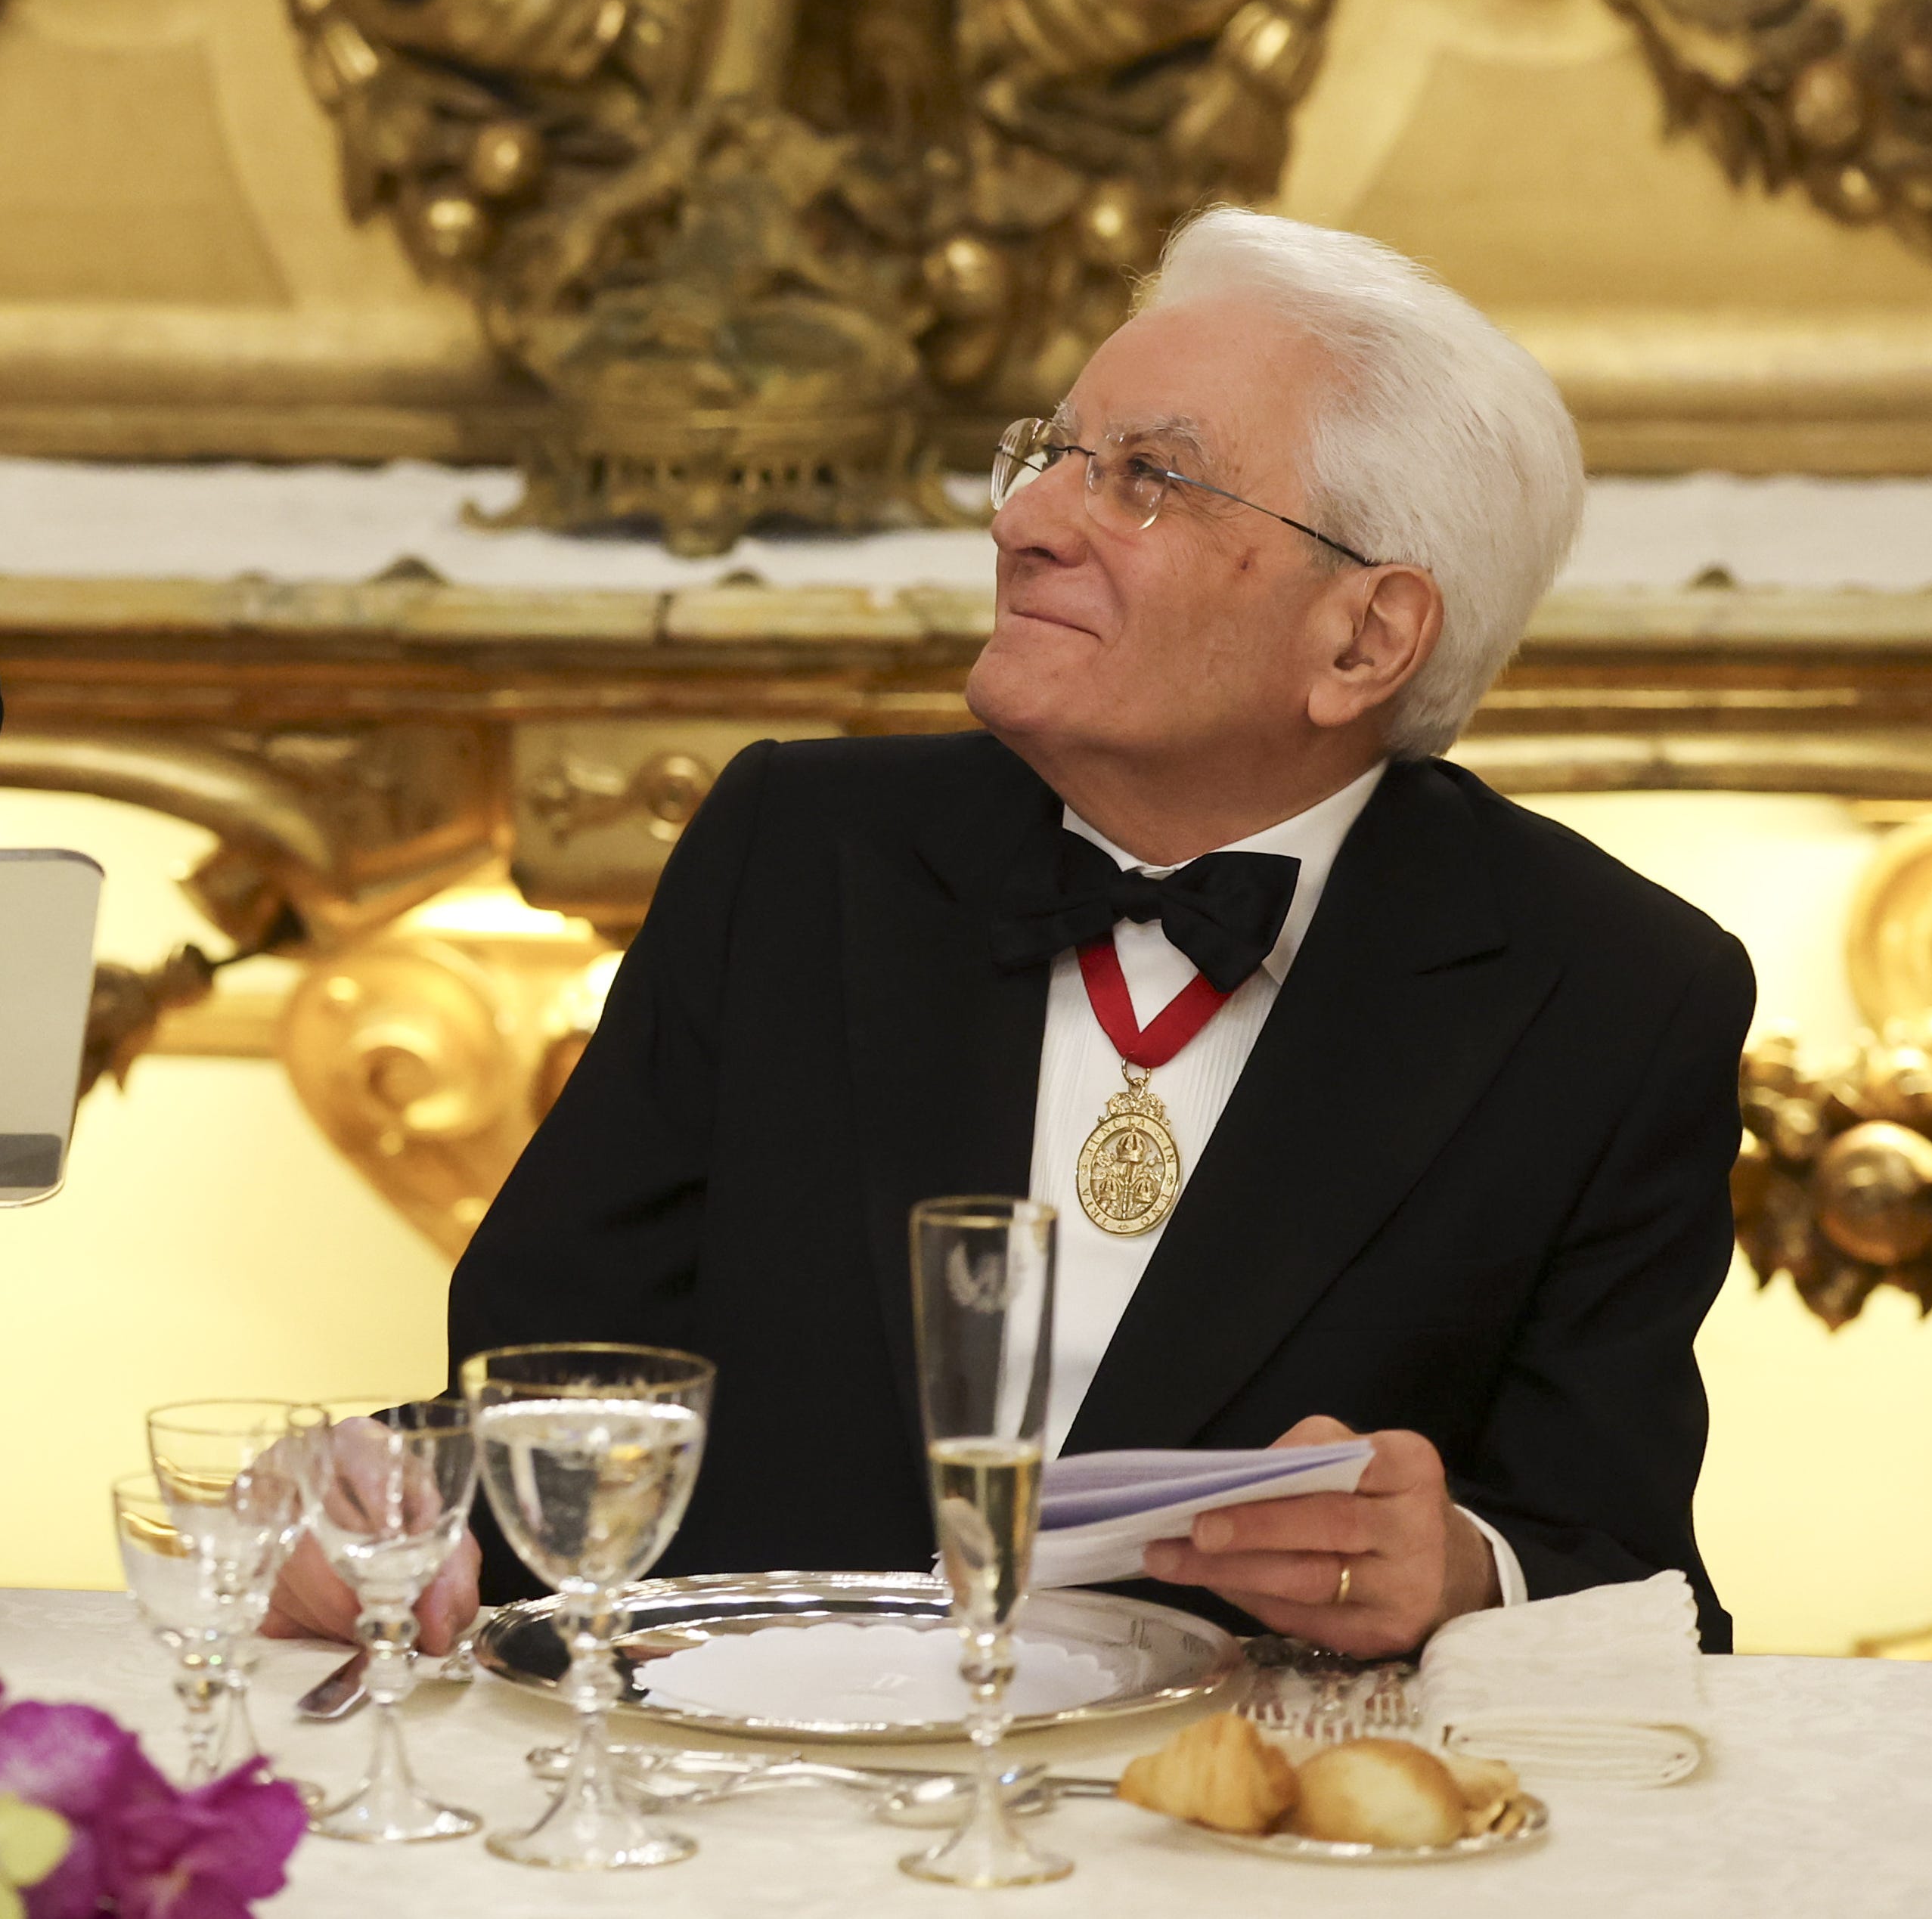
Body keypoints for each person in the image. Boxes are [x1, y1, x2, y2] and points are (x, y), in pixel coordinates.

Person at [445, 209, 1752, 1654]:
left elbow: (1638, 1579)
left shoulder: (1611, 995)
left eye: (1149, 478)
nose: (1025, 522)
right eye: (1052, 454)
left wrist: (1456, 1570)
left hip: (1239, 1848)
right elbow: (545, 1377)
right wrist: (393, 1499)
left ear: (1365, 639)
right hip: (776, 1797)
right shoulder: (794, 850)